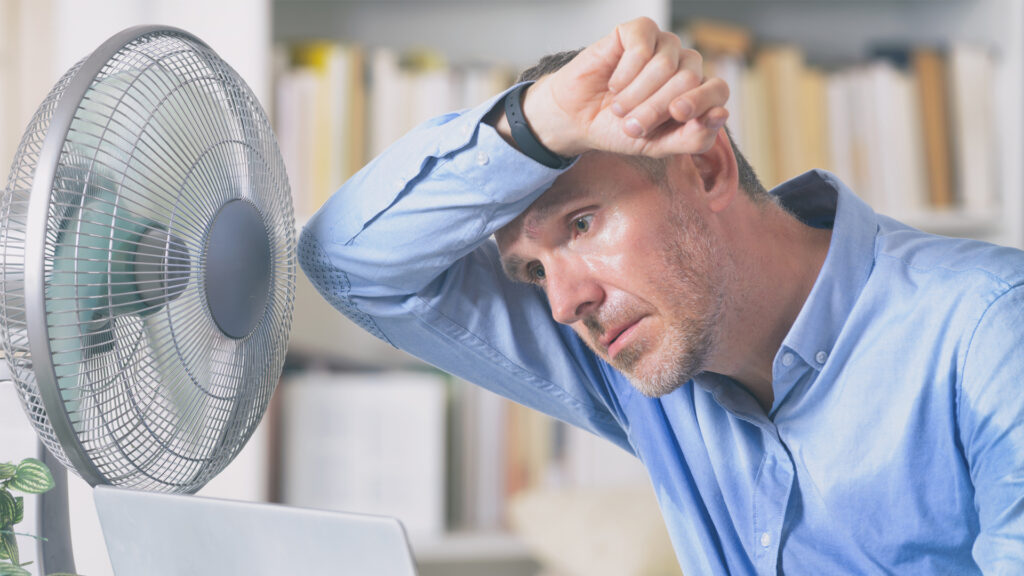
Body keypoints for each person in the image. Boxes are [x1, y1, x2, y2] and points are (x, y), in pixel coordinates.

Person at [298, 17, 1024, 574]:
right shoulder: (647, 359)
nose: (562, 305)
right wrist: (534, 124)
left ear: (706, 169)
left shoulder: (988, 326)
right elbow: (346, 261)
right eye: (533, 271)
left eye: (582, 224)